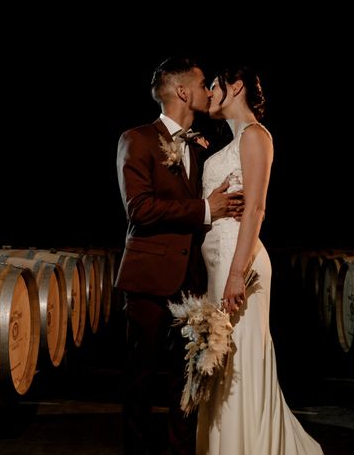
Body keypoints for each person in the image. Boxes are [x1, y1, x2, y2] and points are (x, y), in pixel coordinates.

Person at [115, 56, 244, 455]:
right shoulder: (136, 139)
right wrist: (207, 209)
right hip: (150, 280)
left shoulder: (201, 147)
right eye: (204, 83)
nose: (209, 91)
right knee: (141, 379)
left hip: (190, 282)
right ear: (183, 91)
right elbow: (141, 209)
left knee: (185, 377)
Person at [196, 67, 323, 454]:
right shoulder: (227, 141)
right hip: (218, 265)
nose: (210, 93)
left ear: (235, 87)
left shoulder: (255, 136)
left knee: (240, 360)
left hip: (241, 265)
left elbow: (255, 210)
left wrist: (237, 274)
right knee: (221, 359)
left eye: (214, 85)